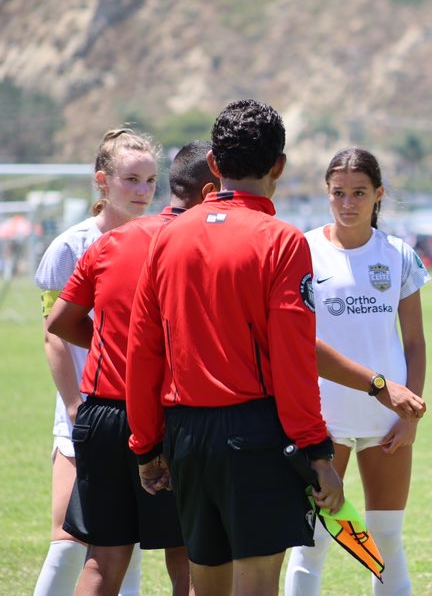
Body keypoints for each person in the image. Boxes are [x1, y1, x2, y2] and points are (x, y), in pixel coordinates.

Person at [123, 100, 346, 596]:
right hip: (255, 433)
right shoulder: (283, 241)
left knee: (206, 584)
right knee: (259, 583)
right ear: (279, 166)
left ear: (216, 166)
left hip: (185, 436)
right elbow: (293, 356)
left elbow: (142, 350)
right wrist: (317, 451)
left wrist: (145, 445)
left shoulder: (167, 237)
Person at [44, 141, 217, 595]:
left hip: (103, 415)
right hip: (171, 415)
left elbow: (60, 322)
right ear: (210, 189)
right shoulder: (205, 243)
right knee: (189, 565)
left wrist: (112, 344)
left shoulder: (112, 241)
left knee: (102, 562)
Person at [285, 148, 430, 596]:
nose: (348, 203)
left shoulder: (399, 255)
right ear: (326, 193)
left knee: (385, 538)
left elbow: (415, 342)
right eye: (338, 193)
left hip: (387, 423)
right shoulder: (302, 251)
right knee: (311, 542)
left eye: (359, 193)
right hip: (321, 422)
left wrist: (409, 416)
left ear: (379, 194)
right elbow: (296, 342)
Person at [33, 128, 159, 596]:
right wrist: (73, 405)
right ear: (103, 182)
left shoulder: (160, 239)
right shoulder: (71, 246)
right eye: (131, 180)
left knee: (127, 549)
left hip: (142, 412)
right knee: (68, 546)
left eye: (150, 180)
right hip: (88, 415)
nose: (143, 191)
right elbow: (54, 334)